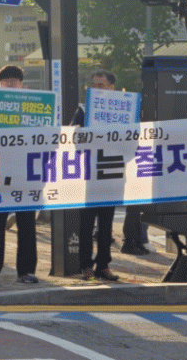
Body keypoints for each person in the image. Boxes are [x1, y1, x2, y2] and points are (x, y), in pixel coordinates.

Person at [0, 65, 38, 286]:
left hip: (26, 174)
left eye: (14, 81)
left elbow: (46, 138)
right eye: (6, 81)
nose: (10, 84)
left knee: (27, 224)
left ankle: (26, 271)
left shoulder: (33, 109)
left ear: (22, 84)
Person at [72, 70, 119, 281]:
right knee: (86, 223)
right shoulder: (83, 110)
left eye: (101, 85)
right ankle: (85, 266)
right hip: (89, 173)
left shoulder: (122, 111)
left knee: (107, 224)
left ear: (111, 88)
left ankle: (103, 265)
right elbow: (73, 136)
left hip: (112, 172)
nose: (96, 89)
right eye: (93, 85)